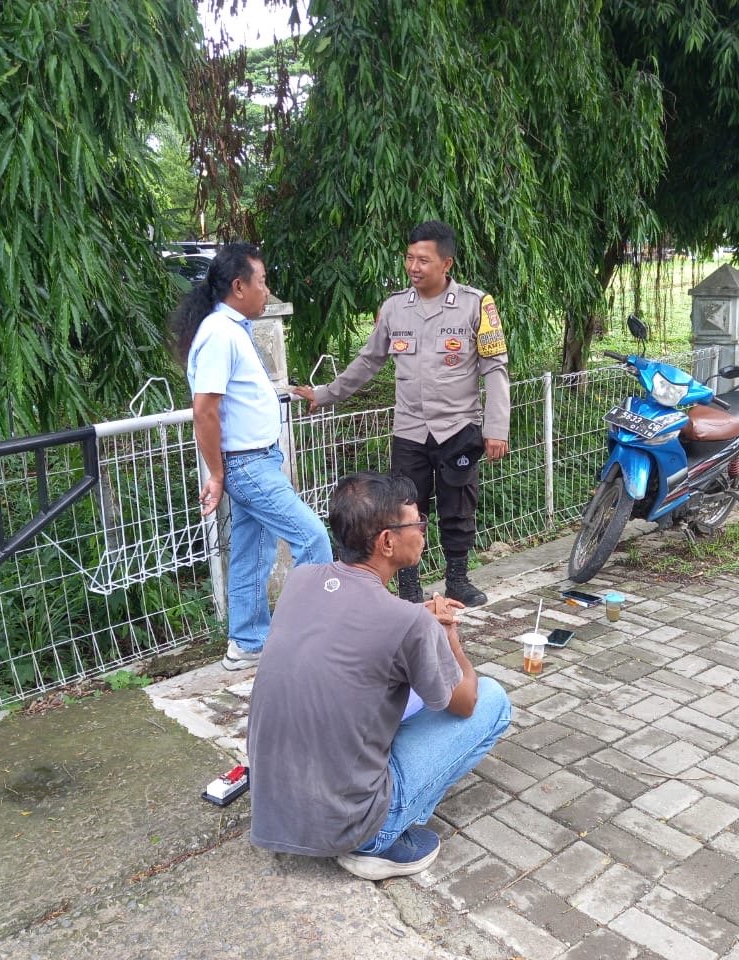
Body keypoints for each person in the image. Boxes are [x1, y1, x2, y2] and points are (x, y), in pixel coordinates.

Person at [246, 472, 512, 880]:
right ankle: (381, 839)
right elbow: (465, 703)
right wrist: (449, 638)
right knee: (492, 699)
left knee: (399, 691)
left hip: (274, 811)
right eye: (417, 522)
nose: (423, 531)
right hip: (352, 824)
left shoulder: (301, 581)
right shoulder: (407, 623)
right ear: (387, 541)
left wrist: (417, 619)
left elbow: (353, 626)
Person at [292, 220, 509, 607]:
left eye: (423, 260)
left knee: (458, 507)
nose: (413, 267)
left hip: (459, 427)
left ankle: (458, 579)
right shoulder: (394, 308)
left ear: (446, 264)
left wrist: (496, 428)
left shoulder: (477, 305)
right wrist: (325, 394)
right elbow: (368, 360)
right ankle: (409, 587)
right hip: (410, 430)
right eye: (409, 258)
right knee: (405, 509)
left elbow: (495, 368)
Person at [169, 242, 333, 671]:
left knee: (251, 554)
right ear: (239, 286)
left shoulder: (231, 329)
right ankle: (317, 640)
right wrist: (217, 474)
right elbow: (204, 410)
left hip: (256, 459)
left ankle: (246, 643)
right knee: (312, 538)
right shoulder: (220, 334)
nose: (267, 290)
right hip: (246, 464)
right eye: (262, 282)